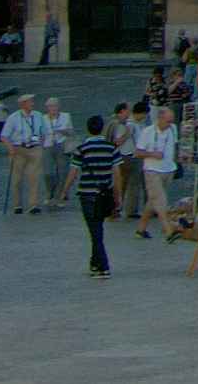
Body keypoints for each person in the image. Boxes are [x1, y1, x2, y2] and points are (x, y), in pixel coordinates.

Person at [72, 115, 124, 277]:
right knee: (97, 228)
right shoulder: (111, 148)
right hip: (105, 194)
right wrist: (118, 196)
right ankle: (94, 263)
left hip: (87, 194)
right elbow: (117, 175)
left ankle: (103, 266)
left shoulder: (81, 149)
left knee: (95, 231)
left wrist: (63, 192)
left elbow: (73, 172)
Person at [135, 102, 180, 237]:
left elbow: (175, 146)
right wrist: (152, 154)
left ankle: (141, 228)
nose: (170, 123)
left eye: (171, 121)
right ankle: (168, 230)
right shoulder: (147, 132)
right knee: (161, 200)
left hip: (168, 170)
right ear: (159, 118)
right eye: (168, 121)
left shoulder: (173, 129)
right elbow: (137, 152)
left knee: (153, 199)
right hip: (152, 170)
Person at [2, 94, 45, 214]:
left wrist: (40, 142)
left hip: (34, 148)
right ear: (23, 104)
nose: (32, 103)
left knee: (34, 177)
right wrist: (10, 148)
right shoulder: (13, 118)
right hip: (18, 149)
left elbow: (43, 132)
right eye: (30, 101)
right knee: (17, 179)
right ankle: (17, 205)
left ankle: (33, 204)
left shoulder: (38, 116)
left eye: (32, 101)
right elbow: (4, 136)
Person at [43, 97, 75, 202]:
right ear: (47, 108)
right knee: (48, 173)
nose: (53, 108)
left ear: (59, 106)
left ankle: (60, 194)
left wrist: (63, 131)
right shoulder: (43, 119)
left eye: (55, 106)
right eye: (50, 106)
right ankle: (49, 192)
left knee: (62, 172)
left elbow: (71, 133)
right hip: (48, 145)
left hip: (62, 145)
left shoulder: (66, 116)